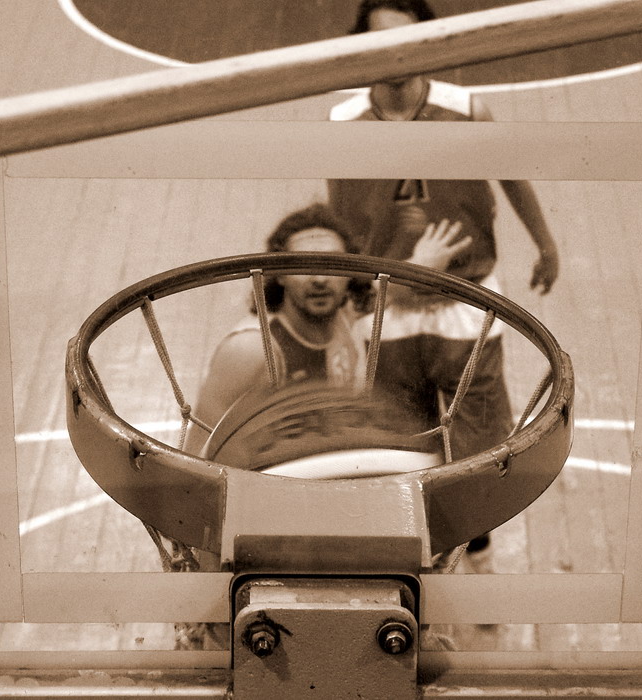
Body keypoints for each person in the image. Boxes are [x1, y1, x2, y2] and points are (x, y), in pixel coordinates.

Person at [328, 0, 561, 572]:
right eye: (383, 42)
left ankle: (478, 553)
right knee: (402, 446)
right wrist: (352, 298)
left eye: (409, 41)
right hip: (388, 309)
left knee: (480, 449)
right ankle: (420, 558)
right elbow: (341, 222)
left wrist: (545, 242)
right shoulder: (342, 124)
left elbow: (512, 175)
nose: (397, 55)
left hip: (466, 301)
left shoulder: (467, 110)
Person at [184, 203, 370, 457]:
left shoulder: (345, 317)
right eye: (303, 265)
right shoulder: (250, 350)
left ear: (350, 273)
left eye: (332, 264)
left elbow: (387, 291)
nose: (319, 279)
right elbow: (195, 455)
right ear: (280, 275)